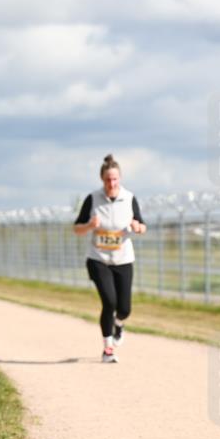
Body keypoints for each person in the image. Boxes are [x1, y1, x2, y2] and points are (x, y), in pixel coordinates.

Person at [73, 154, 147, 363]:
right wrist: (89, 226)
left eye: (114, 179)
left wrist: (137, 227)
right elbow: (76, 228)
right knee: (109, 301)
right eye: (107, 179)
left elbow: (142, 225)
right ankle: (108, 350)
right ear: (101, 179)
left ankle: (119, 325)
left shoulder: (129, 198)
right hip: (98, 259)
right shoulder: (93, 199)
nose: (111, 183)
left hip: (123, 259)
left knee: (124, 309)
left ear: (120, 178)